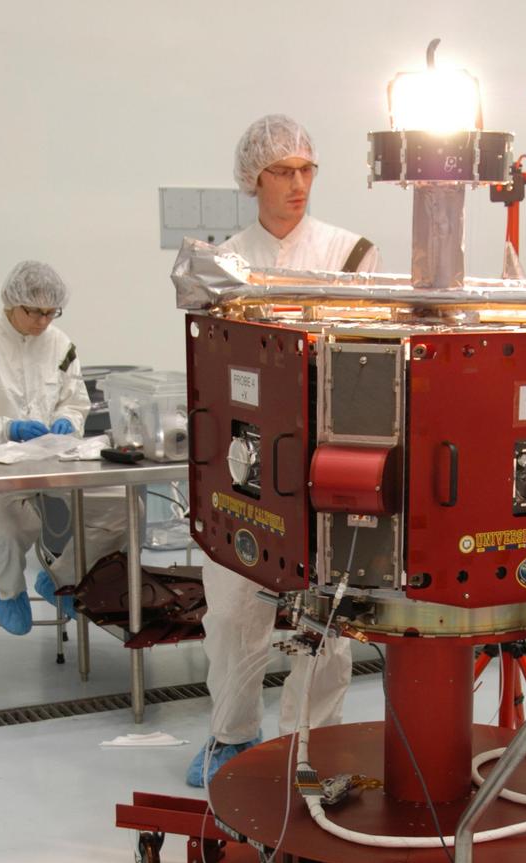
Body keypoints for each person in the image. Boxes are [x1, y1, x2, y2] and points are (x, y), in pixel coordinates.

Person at [187, 114, 382, 787]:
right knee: (235, 610)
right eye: (282, 171)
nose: (298, 183)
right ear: (252, 179)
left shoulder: (349, 253)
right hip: (244, 464)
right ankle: (230, 736)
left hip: (328, 461)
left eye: (307, 169)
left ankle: (306, 749)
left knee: (325, 619)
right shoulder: (223, 262)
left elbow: (366, 365)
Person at [0, 260, 127, 635]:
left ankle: (63, 580)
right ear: (11, 301)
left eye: (51, 312)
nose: (44, 321)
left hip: (55, 461)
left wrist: (69, 422)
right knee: (7, 524)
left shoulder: (60, 345)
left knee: (122, 506)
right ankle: (8, 591)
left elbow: (75, 402)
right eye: (35, 311)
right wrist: (8, 428)